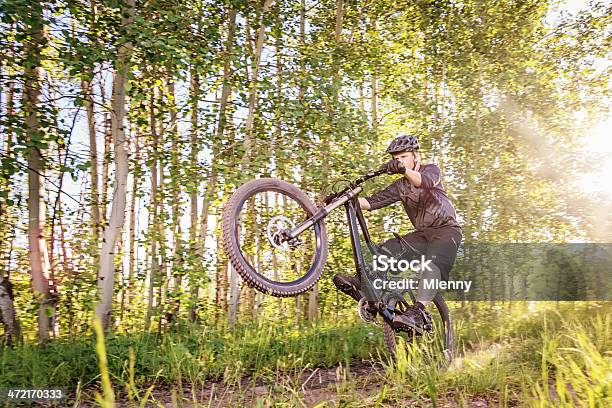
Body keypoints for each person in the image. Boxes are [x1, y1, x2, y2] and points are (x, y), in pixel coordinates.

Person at [333, 134, 462, 333]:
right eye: (396, 158)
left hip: (446, 231)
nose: (399, 161)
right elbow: (372, 202)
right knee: (387, 249)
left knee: (434, 263)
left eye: (403, 157)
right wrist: (344, 199)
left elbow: (423, 182)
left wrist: (404, 170)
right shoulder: (400, 186)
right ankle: (362, 285)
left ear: (415, 157)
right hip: (423, 235)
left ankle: (418, 311)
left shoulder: (431, 170)